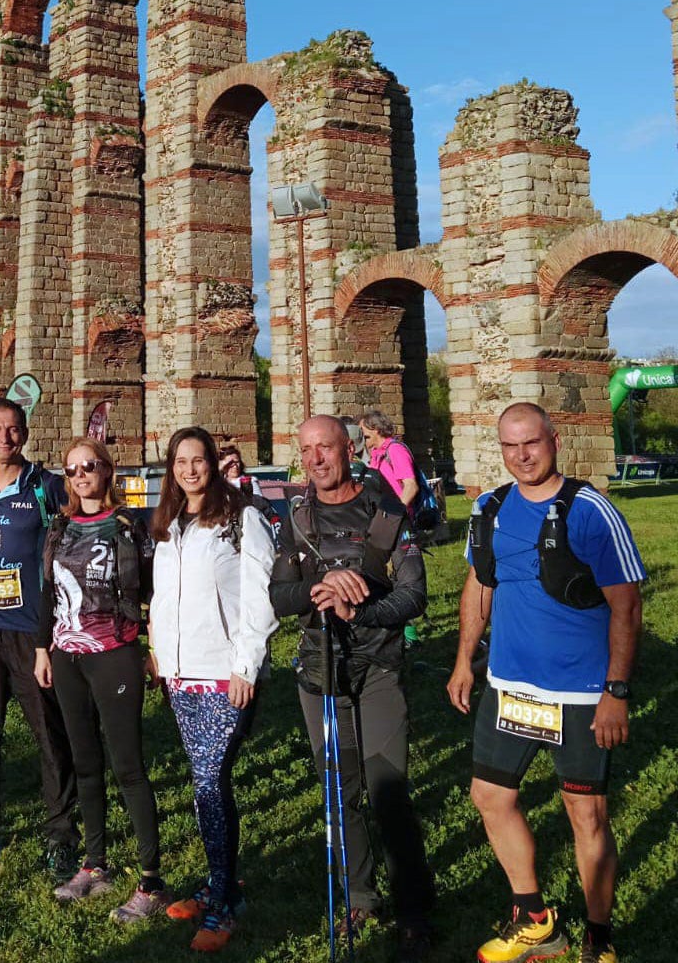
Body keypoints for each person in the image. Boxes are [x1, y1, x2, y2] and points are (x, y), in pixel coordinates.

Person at [446, 403, 644, 963]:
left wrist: (616, 692)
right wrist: (465, 661)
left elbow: (627, 610)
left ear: (553, 441)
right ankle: (535, 921)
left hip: (582, 695)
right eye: (510, 446)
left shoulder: (590, 511)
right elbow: (479, 587)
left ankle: (598, 938)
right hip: (510, 687)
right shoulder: (490, 508)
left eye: (531, 443)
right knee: (489, 796)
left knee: (586, 815)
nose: (522, 456)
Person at [269, 415, 436, 962]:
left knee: (388, 793)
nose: (317, 459)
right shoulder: (294, 517)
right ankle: (361, 895)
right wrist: (320, 588)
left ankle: (415, 911)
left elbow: (413, 596)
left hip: (378, 668)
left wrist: (358, 608)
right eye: (308, 450)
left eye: (327, 448)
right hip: (320, 674)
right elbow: (280, 596)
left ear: (349, 449)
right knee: (341, 797)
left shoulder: (386, 511)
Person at [148, 426, 277, 953]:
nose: (189, 470)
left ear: (213, 463)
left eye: (198, 460)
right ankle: (217, 880)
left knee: (208, 783)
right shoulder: (169, 523)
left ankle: (226, 899)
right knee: (207, 786)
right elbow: (162, 595)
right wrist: (158, 650)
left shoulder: (242, 518)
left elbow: (260, 599)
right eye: (180, 461)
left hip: (224, 673)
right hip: (181, 673)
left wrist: (246, 666)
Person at [34, 438, 170, 922]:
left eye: (88, 466)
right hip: (67, 655)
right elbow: (47, 593)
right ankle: (95, 865)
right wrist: (41, 650)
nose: (80, 476)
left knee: (128, 767)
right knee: (85, 764)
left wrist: (156, 649)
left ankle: (151, 880)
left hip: (115, 653)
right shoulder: (59, 525)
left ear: (108, 470)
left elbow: (155, 590)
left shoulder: (130, 526)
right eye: (71, 470)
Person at [0, 397, 78, 880]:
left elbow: (81, 527)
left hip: (29, 630)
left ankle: (62, 834)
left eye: (13, 429)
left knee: (50, 732)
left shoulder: (45, 487)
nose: (5, 437)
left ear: (24, 434)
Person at [356, 410, 418, 513]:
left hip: (398, 519)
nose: (361, 435)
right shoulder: (376, 454)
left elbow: (411, 486)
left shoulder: (395, 450)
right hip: (384, 515)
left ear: (375, 429)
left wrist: (396, 513)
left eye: (363, 431)